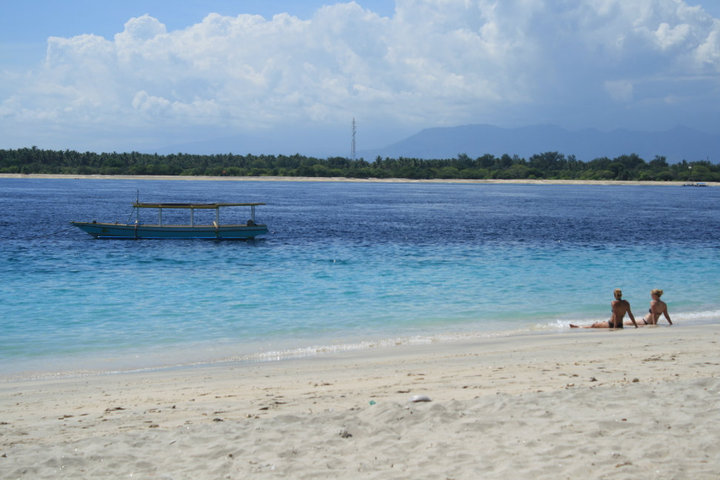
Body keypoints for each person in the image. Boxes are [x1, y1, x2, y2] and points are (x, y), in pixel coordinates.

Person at [570, 288, 638, 329]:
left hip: (612, 324)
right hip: (620, 324)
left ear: (614, 295)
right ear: (621, 295)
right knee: (601, 323)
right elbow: (630, 315)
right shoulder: (626, 303)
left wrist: (614, 327)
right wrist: (635, 325)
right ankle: (579, 326)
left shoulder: (613, 303)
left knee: (594, 325)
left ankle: (578, 327)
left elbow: (615, 315)